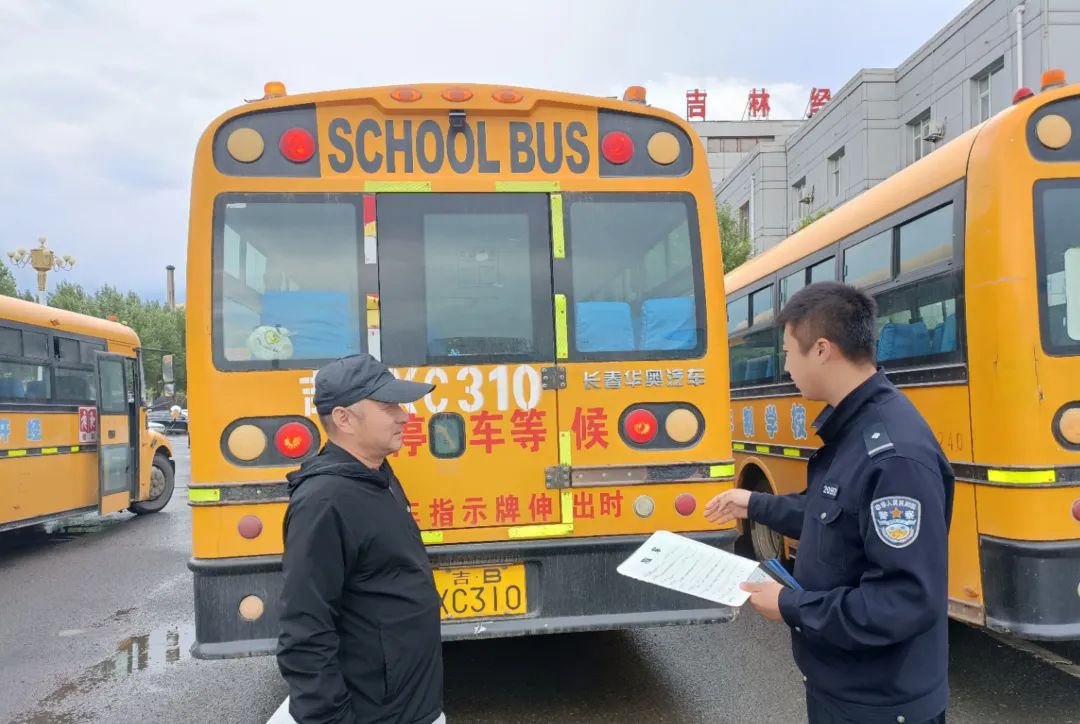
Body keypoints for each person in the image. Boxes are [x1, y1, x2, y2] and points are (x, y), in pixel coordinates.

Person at [706, 282, 954, 724]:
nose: (784, 367)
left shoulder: (893, 454)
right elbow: (833, 516)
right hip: (847, 688)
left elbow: (905, 600)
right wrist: (754, 504)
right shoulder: (856, 429)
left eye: (787, 352)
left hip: (880, 703)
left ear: (821, 349)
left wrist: (789, 605)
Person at [277, 353, 446, 724]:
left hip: (408, 705)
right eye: (388, 406)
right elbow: (305, 630)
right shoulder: (325, 501)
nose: (404, 414)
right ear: (344, 418)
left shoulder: (377, 475)